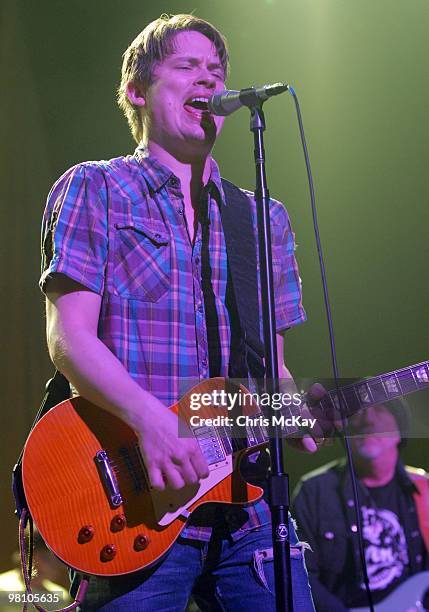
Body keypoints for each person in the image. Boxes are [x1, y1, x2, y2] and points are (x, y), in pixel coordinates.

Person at [40, 13, 318, 611]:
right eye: (188, 67)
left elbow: (274, 370)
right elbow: (69, 338)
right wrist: (151, 420)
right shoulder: (97, 188)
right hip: (134, 505)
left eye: (217, 71)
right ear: (138, 91)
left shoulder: (263, 218)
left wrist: (294, 408)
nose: (209, 80)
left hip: (249, 514)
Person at [292, 399, 429, 611]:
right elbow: (300, 575)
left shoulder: (424, 488)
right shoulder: (314, 491)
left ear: (400, 430)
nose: (368, 418)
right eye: (357, 411)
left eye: (381, 408)